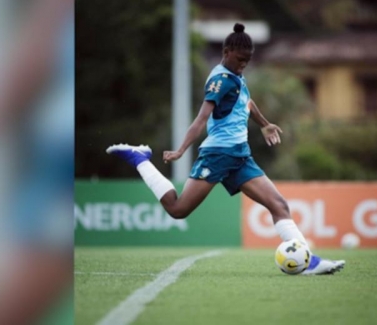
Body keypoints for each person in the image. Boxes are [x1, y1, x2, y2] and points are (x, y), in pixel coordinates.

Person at [107, 23, 344, 275]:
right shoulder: (220, 80)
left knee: (279, 205)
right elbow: (201, 119)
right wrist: (180, 151)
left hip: (240, 156)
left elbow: (248, 104)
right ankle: (140, 158)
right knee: (178, 209)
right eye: (241, 59)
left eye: (248, 60)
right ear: (227, 51)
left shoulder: (237, 77)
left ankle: (307, 263)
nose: (244, 64)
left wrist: (264, 125)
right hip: (218, 155)